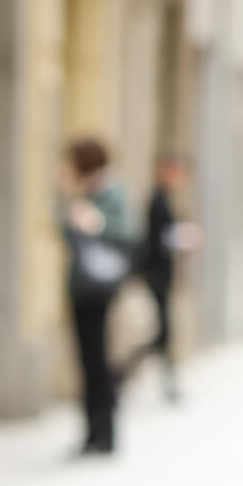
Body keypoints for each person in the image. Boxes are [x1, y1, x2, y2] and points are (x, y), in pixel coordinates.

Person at [58, 137, 134, 455]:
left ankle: (105, 433)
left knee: (98, 360)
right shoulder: (83, 193)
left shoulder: (112, 193)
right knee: (87, 361)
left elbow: (127, 233)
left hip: (99, 289)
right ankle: (92, 432)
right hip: (81, 286)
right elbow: (66, 235)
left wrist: (96, 223)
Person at [119, 153, 198, 403]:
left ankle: (164, 381)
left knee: (164, 331)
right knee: (161, 331)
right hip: (156, 274)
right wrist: (184, 237)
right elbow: (158, 239)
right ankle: (123, 374)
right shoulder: (157, 201)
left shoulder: (164, 199)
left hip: (161, 274)